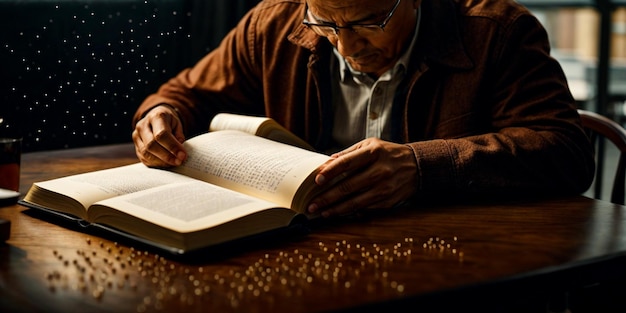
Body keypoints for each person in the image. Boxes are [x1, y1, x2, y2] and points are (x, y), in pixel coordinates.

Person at [132, 0, 595, 218]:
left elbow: (565, 150)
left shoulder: (497, 32)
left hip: (451, 265)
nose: (347, 46)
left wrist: (420, 167)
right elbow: (183, 94)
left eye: (369, 23)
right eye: (327, 24)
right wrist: (161, 116)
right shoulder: (275, 22)